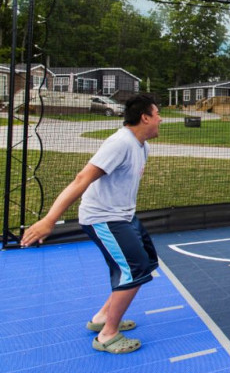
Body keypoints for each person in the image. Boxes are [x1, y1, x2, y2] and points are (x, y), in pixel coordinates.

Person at [20, 94, 163, 355]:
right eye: (157, 114)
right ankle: (107, 335)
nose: (160, 119)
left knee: (145, 263)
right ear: (145, 117)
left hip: (124, 216)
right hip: (103, 218)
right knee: (134, 270)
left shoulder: (142, 145)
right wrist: (49, 220)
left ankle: (101, 319)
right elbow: (81, 179)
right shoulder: (119, 143)